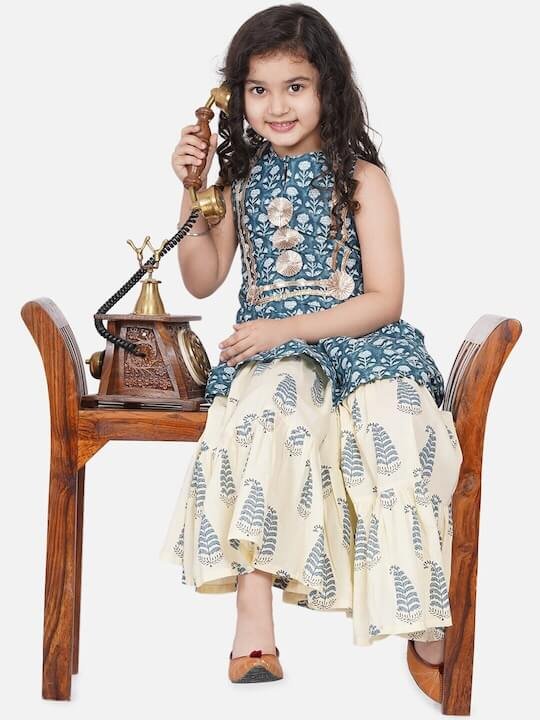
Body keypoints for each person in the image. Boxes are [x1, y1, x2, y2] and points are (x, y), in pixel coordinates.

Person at [160, 2, 463, 683]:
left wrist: (290, 325)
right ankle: (253, 613)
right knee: (271, 411)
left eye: (294, 86)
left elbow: (384, 297)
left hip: (361, 340)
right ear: (236, 97)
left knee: (397, 424)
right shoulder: (239, 182)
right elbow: (203, 278)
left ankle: (421, 613)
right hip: (275, 354)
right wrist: (191, 190)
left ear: (327, 86)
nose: (276, 106)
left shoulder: (361, 178)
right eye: (258, 89)